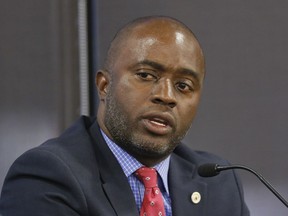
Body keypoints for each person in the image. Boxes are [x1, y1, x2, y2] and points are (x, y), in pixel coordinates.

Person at [0, 16, 250, 215]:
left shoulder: (219, 183)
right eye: (146, 75)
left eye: (183, 85)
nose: (166, 96)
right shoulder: (48, 175)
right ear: (104, 86)